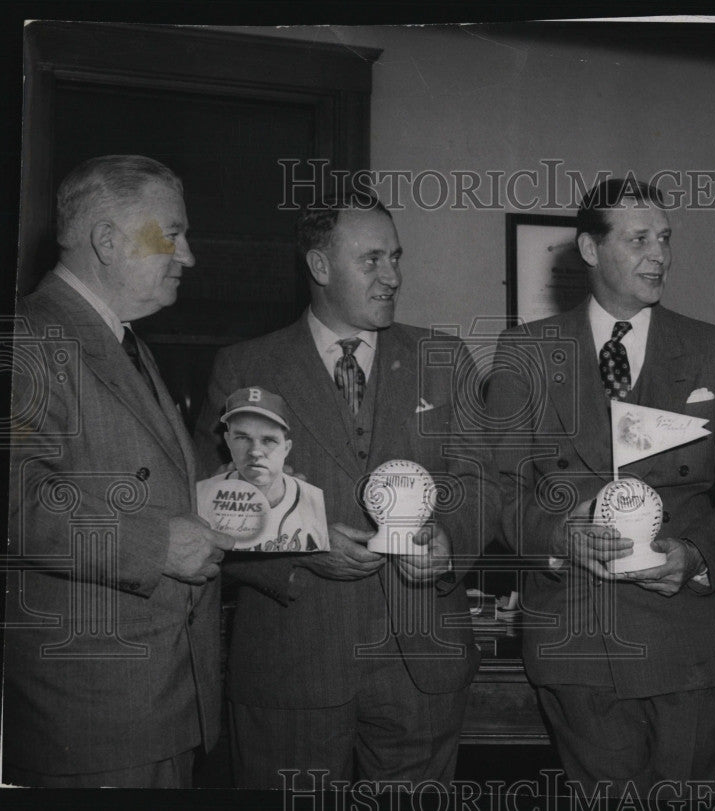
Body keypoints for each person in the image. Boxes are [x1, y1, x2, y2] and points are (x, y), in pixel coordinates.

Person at [193, 189, 497, 789]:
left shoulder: (445, 357)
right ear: (320, 266)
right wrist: (303, 547)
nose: (393, 276)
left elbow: (480, 482)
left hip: (422, 668)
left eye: (396, 257)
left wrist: (448, 542)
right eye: (373, 260)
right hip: (294, 667)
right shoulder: (244, 368)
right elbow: (215, 507)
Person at [486, 179, 715, 797]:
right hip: (577, 643)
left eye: (664, 239)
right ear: (589, 247)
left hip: (687, 641)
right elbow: (497, 494)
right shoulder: (523, 353)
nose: (658, 254)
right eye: (639, 239)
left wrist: (694, 556)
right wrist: (558, 533)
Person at [2, 155, 233, 788]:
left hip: (154, 700)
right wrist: (158, 544)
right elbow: (15, 501)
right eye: (173, 234)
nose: (187, 256)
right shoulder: (27, 337)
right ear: (107, 241)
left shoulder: (120, 340)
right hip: (92, 718)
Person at [196, 386, 328, 552]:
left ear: (286, 447)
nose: (255, 451)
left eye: (268, 440)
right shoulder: (206, 493)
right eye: (243, 437)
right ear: (228, 440)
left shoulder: (305, 497)